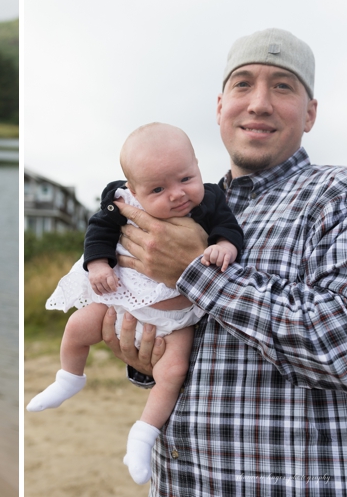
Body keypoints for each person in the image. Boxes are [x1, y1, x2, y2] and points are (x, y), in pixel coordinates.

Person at [102, 28, 347, 493]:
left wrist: (196, 273)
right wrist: (144, 357)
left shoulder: (344, 194)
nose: (259, 103)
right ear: (219, 107)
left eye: (283, 85)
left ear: (310, 114)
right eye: (243, 83)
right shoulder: (178, 208)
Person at [26, 123, 244, 484]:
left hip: (177, 315)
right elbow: (99, 231)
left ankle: (143, 434)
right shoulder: (122, 202)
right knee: (77, 326)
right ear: (134, 189)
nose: (177, 195)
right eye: (158, 189)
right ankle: (69, 377)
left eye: (185, 178)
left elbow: (229, 228)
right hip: (123, 296)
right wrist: (97, 263)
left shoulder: (210, 200)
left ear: (198, 165)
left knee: (172, 373)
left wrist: (225, 245)